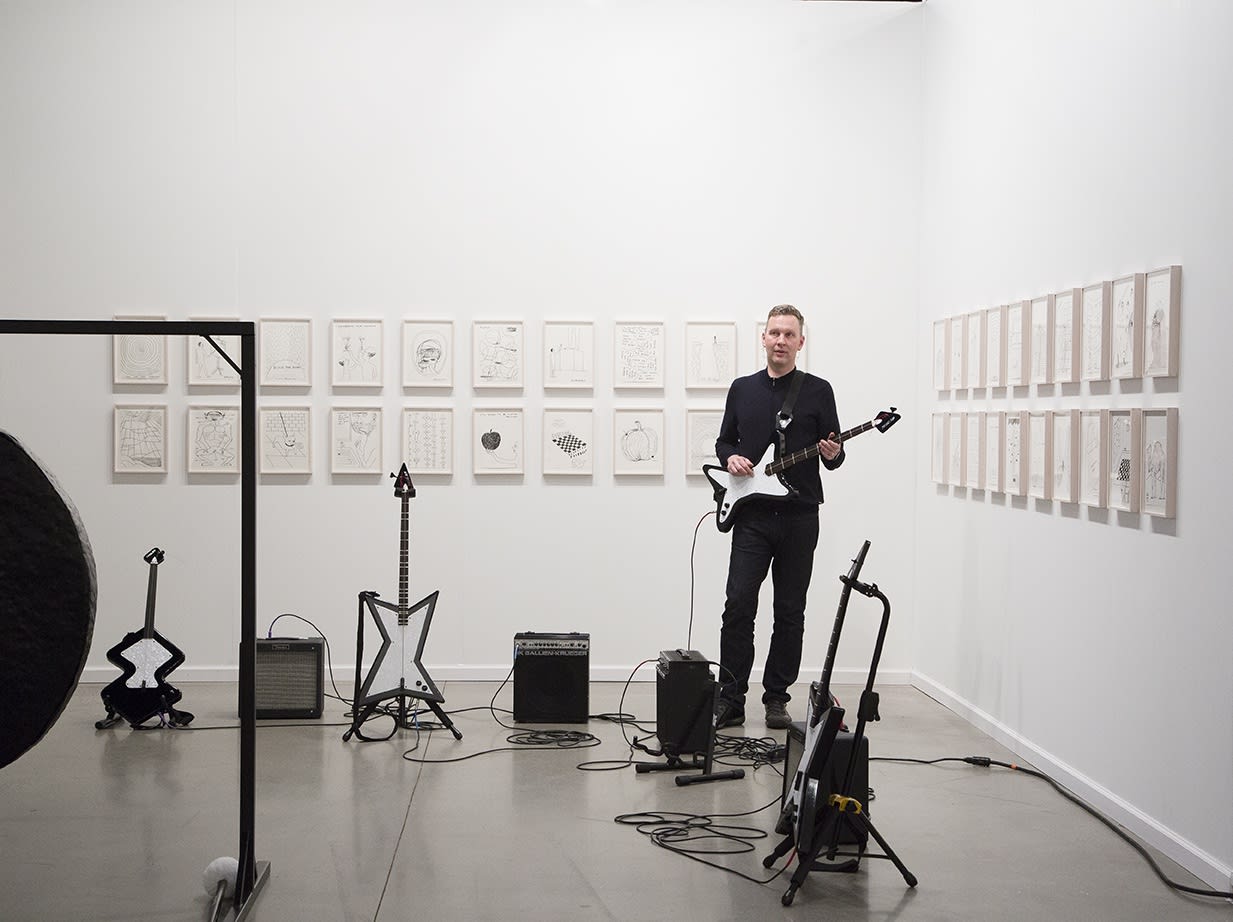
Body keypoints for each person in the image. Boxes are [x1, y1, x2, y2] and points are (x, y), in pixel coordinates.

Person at [714, 304, 844, 730]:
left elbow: (835, 454)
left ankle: (776, 699)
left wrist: (835, 453)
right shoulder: (742, 388)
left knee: (790, 612)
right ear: (763, 338)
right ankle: (730, 698)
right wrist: (730, 456)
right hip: (752, 514)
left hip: (800, 516)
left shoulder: (819, 390)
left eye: (790, 334)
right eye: (775, 333)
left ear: (801, 342)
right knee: (738, 606)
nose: (781, 341)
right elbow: (723, 441)